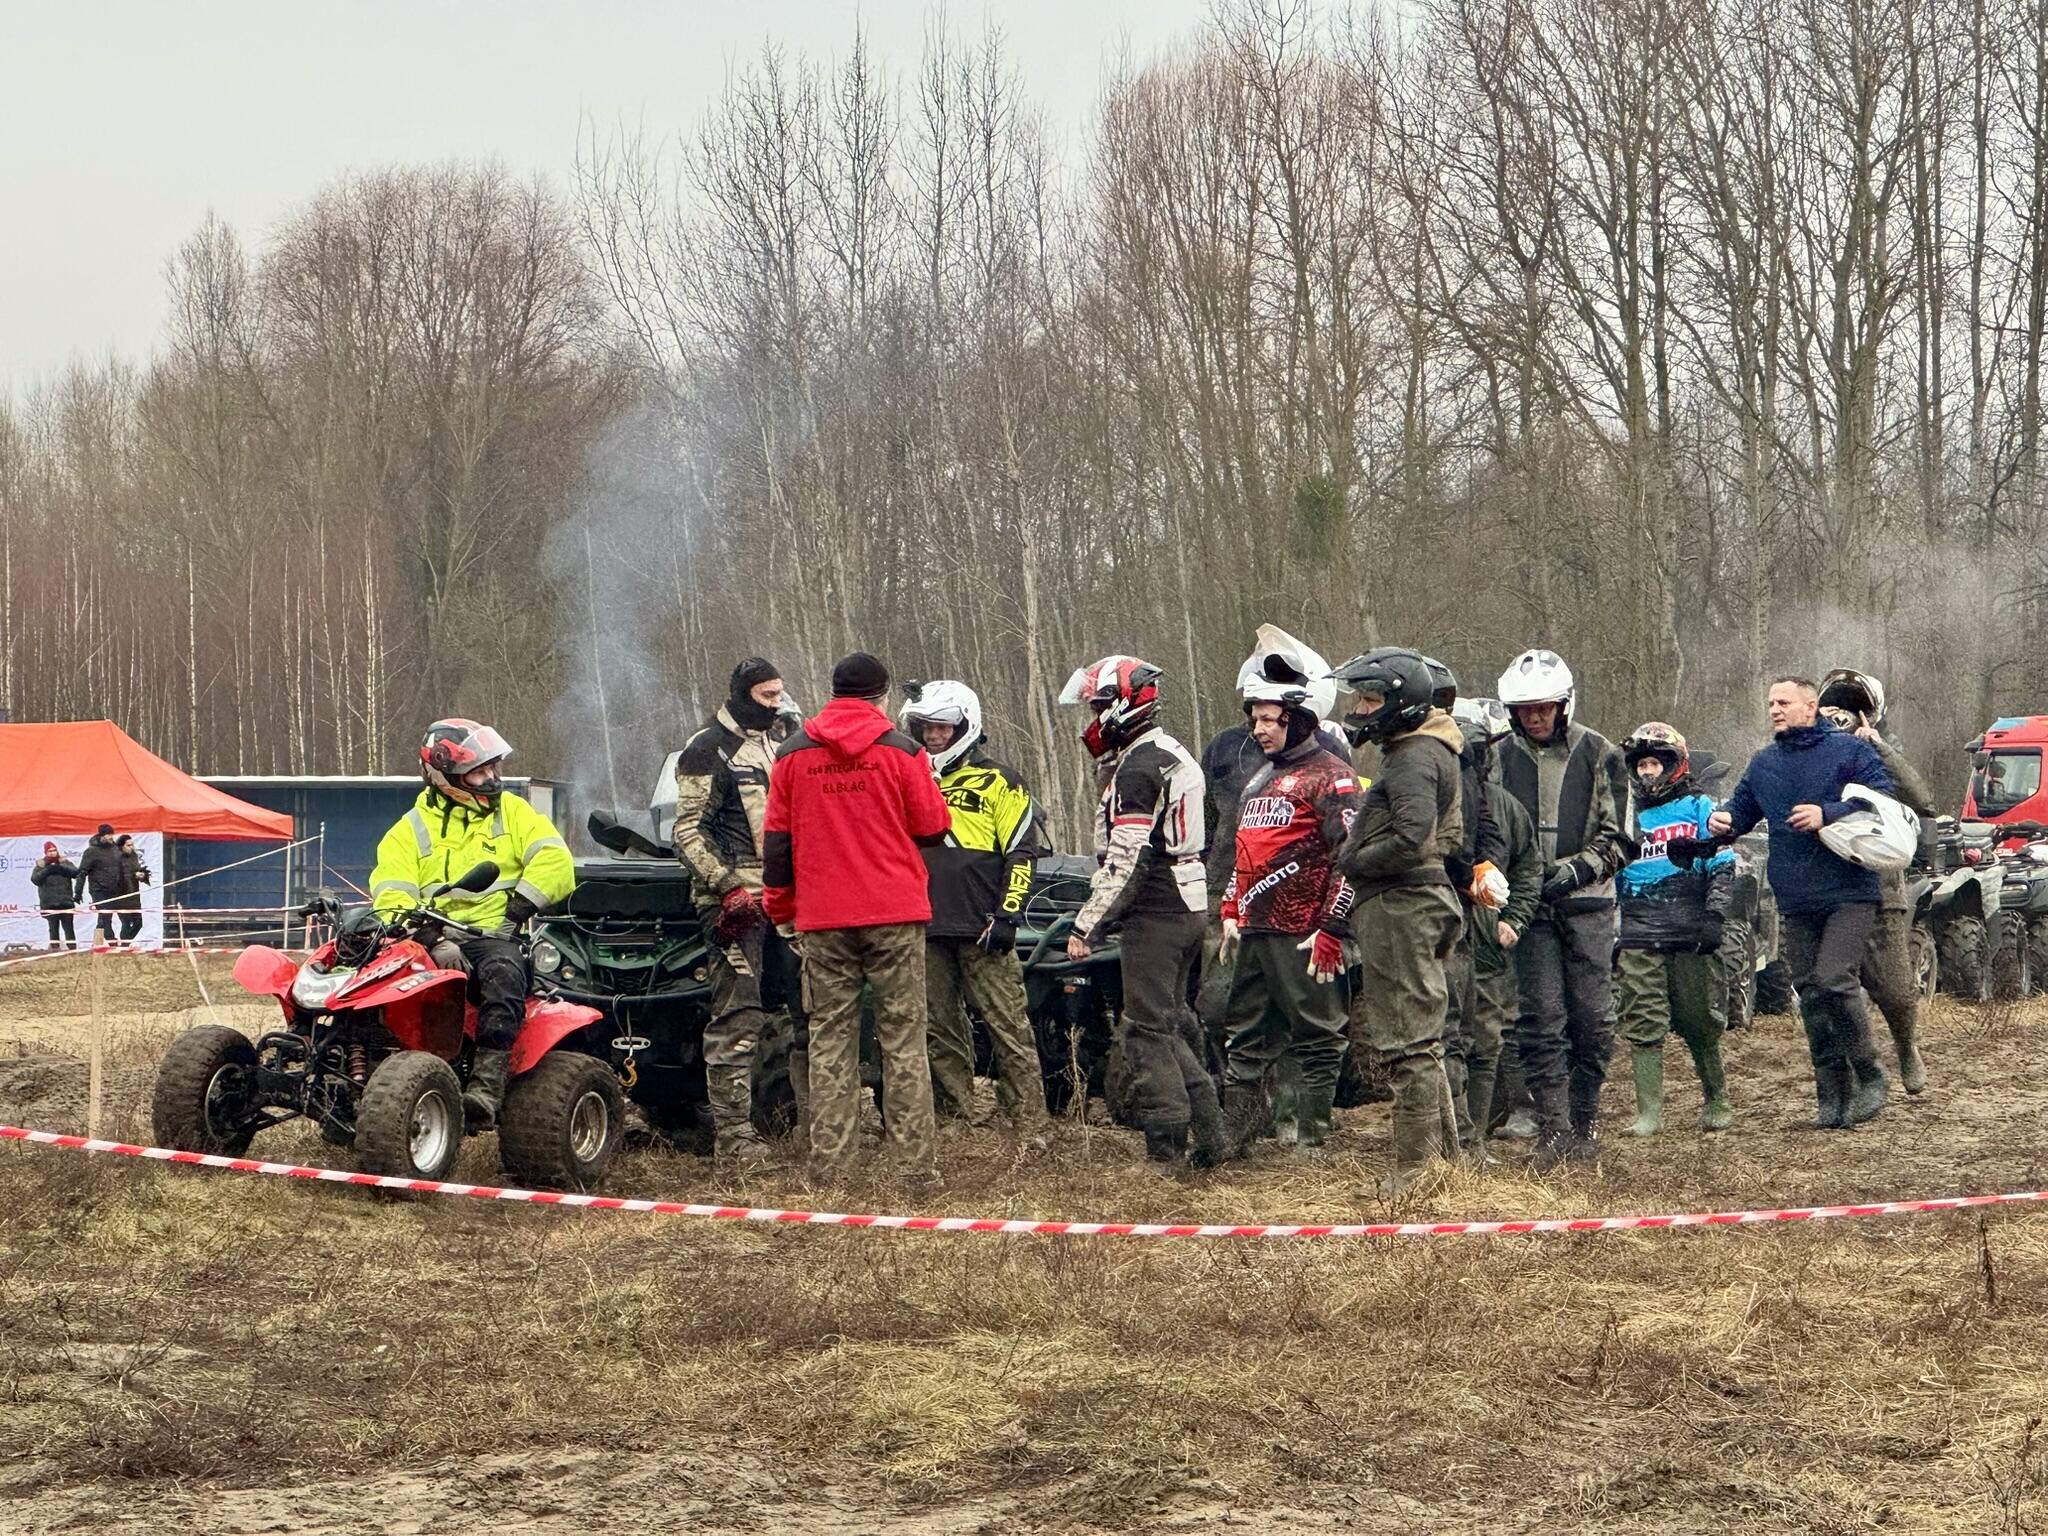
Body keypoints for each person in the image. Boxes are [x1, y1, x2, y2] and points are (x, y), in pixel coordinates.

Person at [763, 653, 953, 1181]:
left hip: (823, 918)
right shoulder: (903, 751)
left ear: (834, 693)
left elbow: (776, 845)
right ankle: (915, 1170)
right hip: (895, 913)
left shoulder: (792, 755)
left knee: (829, 1039)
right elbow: (934, 827)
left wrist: (781, 907)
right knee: (904, 1039)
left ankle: (832, 1168)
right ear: (881, 696)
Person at [1060, 654, 1227, 1168]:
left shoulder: (1138, 767)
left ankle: (1165, 1147)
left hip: (1157, 906)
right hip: (1186, 900)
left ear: (1124, 704)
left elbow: (1128, 857)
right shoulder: (1165, 751)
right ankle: (1212, 1133)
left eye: (1098, 706)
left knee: (1145, 1030)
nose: (1093, 718)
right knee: (1168, 1022)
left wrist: (1088, 923)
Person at [370, 719, 576, 1130]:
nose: (492, 778)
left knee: (504, 976)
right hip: (427, 936)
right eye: (479, 772)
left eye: (493, 768)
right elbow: (391, 891)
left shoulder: (514, 812)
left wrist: (516, 912)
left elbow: (557, 860)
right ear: (444, 776)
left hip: (493, 934)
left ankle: (485, 1090)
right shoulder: (408, 830)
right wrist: (428, 937)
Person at [1709, 677, 1897, 1127]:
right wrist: (1723, 821)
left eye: (1784, 702)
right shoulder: (1764, 763)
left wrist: (1827, 812)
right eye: (1771, 702)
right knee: (1810, 993)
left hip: (1850, 891)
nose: (1775, 709)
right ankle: (1832, 1096)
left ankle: (1870, 1072)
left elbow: (1883, 801)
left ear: (1811, 706)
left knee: (1834, 979)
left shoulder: (1849, 751)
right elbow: (1742, 810)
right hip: (1795, 897)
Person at [1331, 646, 1466, 1198]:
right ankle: (1446, 1165)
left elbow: (1412, 836)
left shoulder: (1413, 755)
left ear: (1399, 701)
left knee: (1409, 1042)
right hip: (1412, 901)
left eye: (1369, 699)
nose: (1361, 710)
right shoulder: (1425, 750)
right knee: (1423, 1042)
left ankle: (1414, 1172)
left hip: (1402, 904)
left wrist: (1354, 861)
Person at [1494, 648, 1635, 1169]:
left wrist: (1577, 870)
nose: (1536, 717)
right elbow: (1487, 829)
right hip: (1526, 907)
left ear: (1563, 705)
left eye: (1545, 707)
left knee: (1593, 1019)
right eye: (1526, 709)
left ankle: (1585, 1118)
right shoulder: (1495, 758)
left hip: (1587, 902)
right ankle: (1553, 1126)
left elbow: (1622, 836)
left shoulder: (1601, 753)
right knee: (1541, 1017)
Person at [1199, 626, 1349, 1118]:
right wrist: (1229, 908)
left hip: (1303, 931)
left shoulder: (1332, 775)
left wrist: (1333, 927)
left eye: (1268, 719)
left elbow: (1349, 858)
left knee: (1317, 1035)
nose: (1258, 729)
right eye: (1255, 719)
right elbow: (1244, 850)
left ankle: (1311, 1139)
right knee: (1243, 1033)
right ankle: (1238, 1134)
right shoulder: (1260, 779)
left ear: (1297, 718)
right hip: (1253, 928)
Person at [899, 678, 1053, 1142]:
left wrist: (1008, 915)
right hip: (925, 923)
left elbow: (1022, 852)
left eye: (943, 728)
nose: (933, 736)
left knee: (1008, 1026)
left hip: (984, 925)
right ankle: (955, 1122)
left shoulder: (1001, 780)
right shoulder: (910, 780)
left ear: (965, 726)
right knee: (938, 1028)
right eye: (925, 728)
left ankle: (1030, 1124)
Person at [673, 657, 804, 1163]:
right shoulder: (706, 748)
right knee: (737, 1013)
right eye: (767, 695)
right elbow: (687, 831)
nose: (775, 704)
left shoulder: (778, 742)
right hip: (733, 903)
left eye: (779, 695)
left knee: (806, 1007)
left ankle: (809, 1122)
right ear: (743, 693)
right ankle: (733, 1136)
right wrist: (727, 887)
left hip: (784, 898)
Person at [1818, 667, 1935, 1094]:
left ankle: (1906, 1046)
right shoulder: (1813, 752)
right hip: (1828, 887)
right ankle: (1855, 1068)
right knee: (1832, 988)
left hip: (1879, 888)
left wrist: (1878, 747)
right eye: (1833, 710)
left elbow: (1922, 800)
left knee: (1896, 990)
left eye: (1851, 712)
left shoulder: (1881, 755)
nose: (1841, 719)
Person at [1615, 723, 1734, 1135]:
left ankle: (1717, 1097)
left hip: (1690, 927)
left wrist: (1715, 916)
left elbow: (1723, 863)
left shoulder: (1698, 806)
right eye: (1641, 765)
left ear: (1674, 765)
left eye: (1655, 763)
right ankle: (1649, 1112)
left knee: (1697, 1017)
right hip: (1637, 928)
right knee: (1642, 1016)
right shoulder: (1625, 812)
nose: (1648, 771)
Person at [1445, 698, 1541, 1160]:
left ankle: (1474, 1142)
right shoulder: (1428, 797)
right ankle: (1442, 1142)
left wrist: (1514, 919)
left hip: (1485, 948)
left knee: (1484, 1045)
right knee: (1438, 1044)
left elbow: (1529, 868)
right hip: (1438, 940)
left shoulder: (1505, 808)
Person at [1424, 664, 1511, 1162]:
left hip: (1453, 909)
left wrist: (1481, 868)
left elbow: (1479, 830)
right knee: (1445, 1030)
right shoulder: (1440, 762)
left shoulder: (1463, 767)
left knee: (1453, 1029)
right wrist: (1472, 869)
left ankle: (1458, 1140)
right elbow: (1461, 837)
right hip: (1440, 905)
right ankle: (1452, 1140)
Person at [74, 824, 124, 945]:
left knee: (105, 916)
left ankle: (97, 942)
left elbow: (122, 867)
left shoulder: (115, 849)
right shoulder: (91, 851)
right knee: (105, 915)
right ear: (102, 836)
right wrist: (78, 892)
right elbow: (82, 872)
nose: (111, 837)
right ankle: (110, 940)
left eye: (112, 834)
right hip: (98, 889)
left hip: (114, 888)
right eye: (108, 835)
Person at [30, 842, 79, 950]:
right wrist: (47, 870)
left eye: (54, 850)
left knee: (69, 929)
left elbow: (76, 873)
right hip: (49, 903)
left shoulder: (64, 862)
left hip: (65, 902)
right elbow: (35, 879)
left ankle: (72, 950)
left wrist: (61, 867)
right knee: (53, 930)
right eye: (50, 851)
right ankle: (55, 950)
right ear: (45, 853)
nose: (52, 853)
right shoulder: (41, 865)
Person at [108, 834, 151, 945]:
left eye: (132, 845)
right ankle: (124, 946)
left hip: (134, 895)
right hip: (121, 895)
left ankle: (125, 943)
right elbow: (115, 876)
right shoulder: (115, 857)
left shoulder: (134, 856)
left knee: (138, 923)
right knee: (126, 923)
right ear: (121, 846)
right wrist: (133, 875)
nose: (131, 847)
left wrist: (143, 875)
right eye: (128, 845)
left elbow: (137, 869)